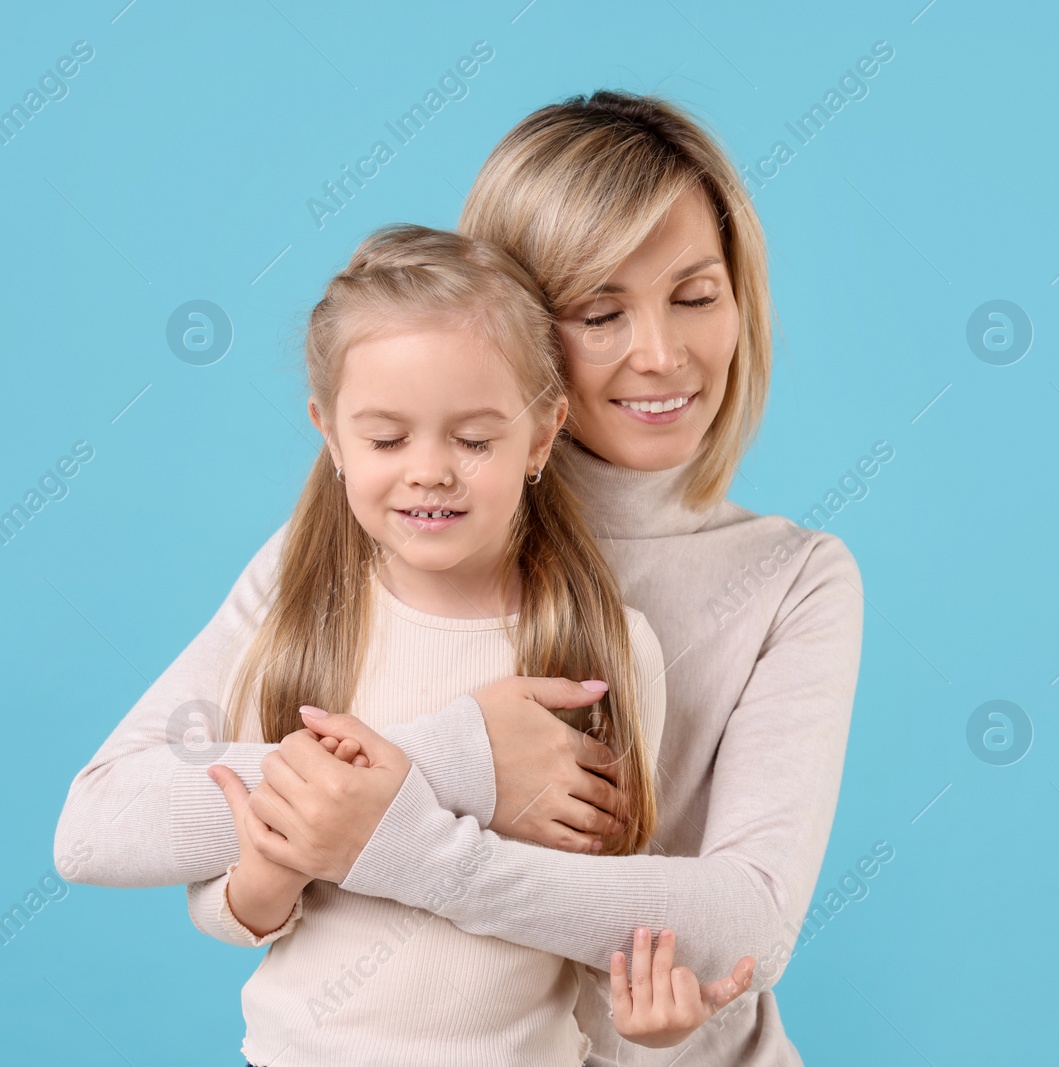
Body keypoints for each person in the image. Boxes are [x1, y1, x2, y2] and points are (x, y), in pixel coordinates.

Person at [57, 90, 864, 1066]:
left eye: (696, 294)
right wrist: (461, 755)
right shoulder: (352, 546)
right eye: (601, 311)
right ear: (515, 327)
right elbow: (106, 817)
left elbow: (745, 921)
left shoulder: (792, 578)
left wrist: (413, 845)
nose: (662, 353)